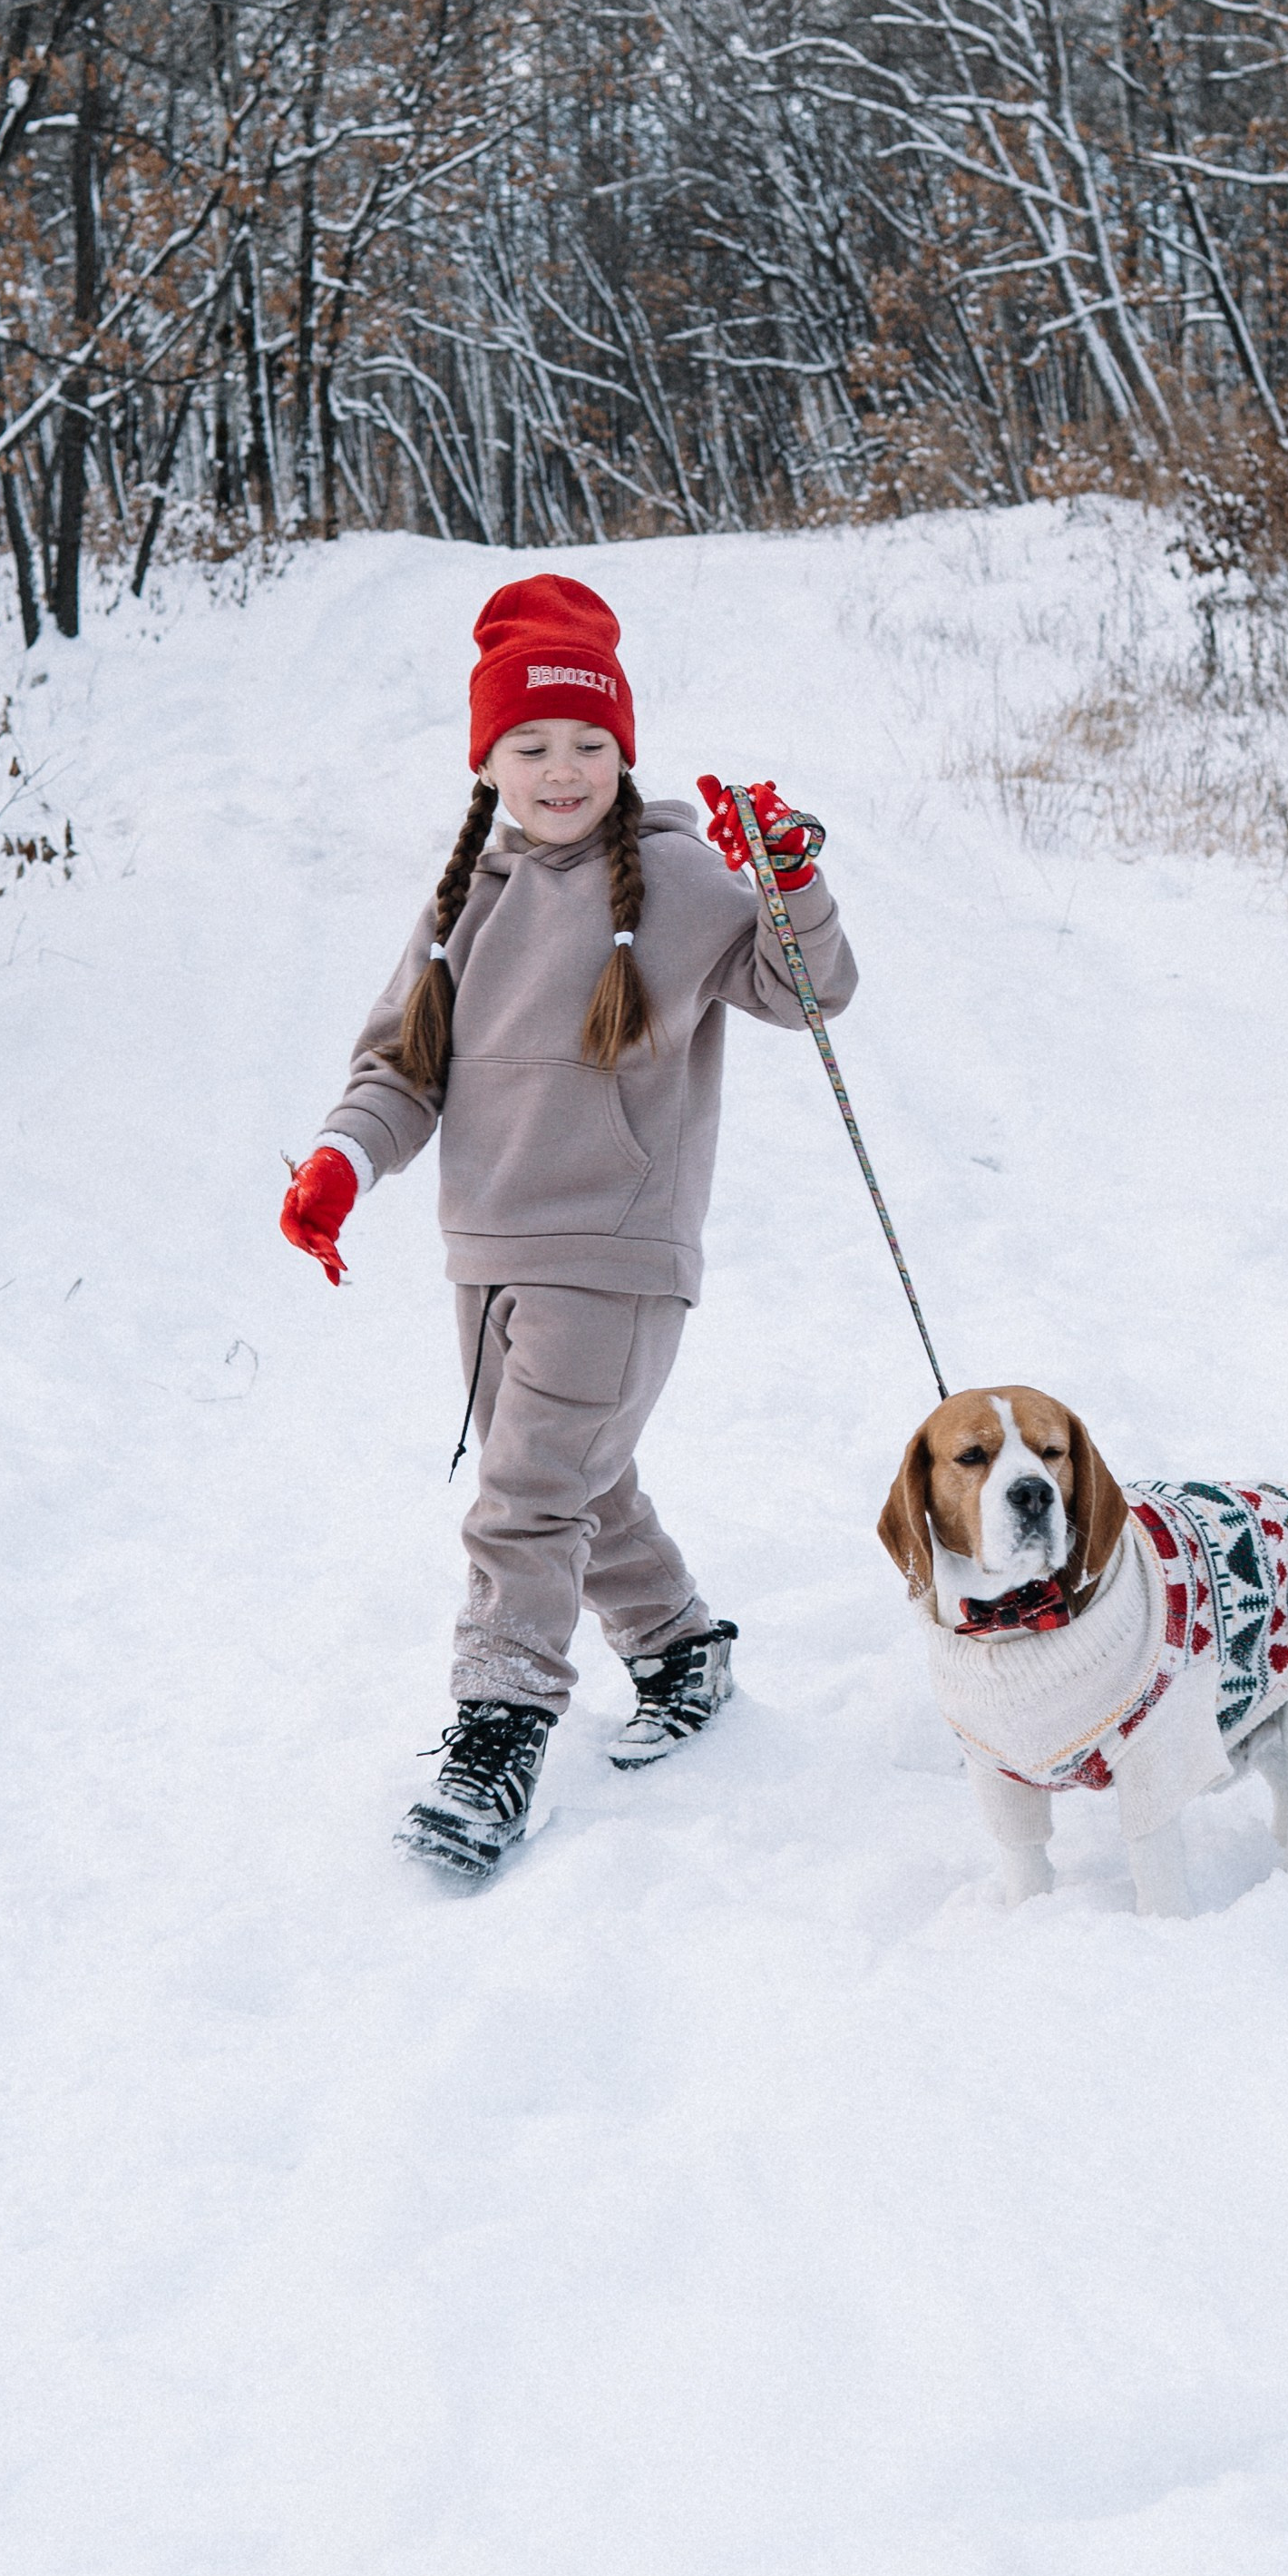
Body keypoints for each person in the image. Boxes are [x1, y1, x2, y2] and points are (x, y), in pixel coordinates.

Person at [279, 572, 854, 1883]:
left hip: (618, 1254)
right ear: (488, 760)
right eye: (531, 746)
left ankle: (500, 1730)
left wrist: (786, 876)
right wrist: (337, 1163)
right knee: (582, 1477)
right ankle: (678, 1648)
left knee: (526, 1498)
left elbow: (813, 989)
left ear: (624, 750)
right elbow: (398, 1071)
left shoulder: (681, 880)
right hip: (486, 1259)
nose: (561, 769)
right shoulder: (462, 903)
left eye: (589, 744)